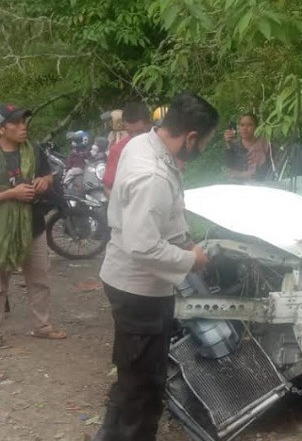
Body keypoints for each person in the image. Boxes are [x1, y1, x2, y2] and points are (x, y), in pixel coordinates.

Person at [93, 92, 218, 441]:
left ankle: (107, 435)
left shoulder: (143, 145)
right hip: (138, 288)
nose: (202, 149)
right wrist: (190, 259)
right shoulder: (153, 176)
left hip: (129, 280)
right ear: (191, 137)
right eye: (204, 142)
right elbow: (143, 246)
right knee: (144, 388)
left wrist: (184, 240)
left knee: (131, 373)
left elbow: (164, 215)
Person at [0, 103, 67, 360]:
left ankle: (42, 327)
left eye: (24, 121)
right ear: (2, 128)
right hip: (2, 230)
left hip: (33, 224)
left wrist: (44, 181)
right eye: (15, 123)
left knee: (39, 279)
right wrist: (11, 193)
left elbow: (49, 176)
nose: (22, 126)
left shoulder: (33, 150)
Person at [103, 101, 152, 195]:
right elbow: (108, 188)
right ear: (125, 127)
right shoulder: (118, 151)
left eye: (141, 132)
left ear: (149, 124)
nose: (138, 138)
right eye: (132, 134)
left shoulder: (163, 146)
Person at [222, 113, 272, 181]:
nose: (245, 128)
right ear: (238, 127)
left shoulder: (265, 145)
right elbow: (228, 171)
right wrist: (228, 144)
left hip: (262, 186)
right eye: (242, 125)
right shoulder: (234, 145)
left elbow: (275, 168)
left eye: (249, 125)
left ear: (256, 127)